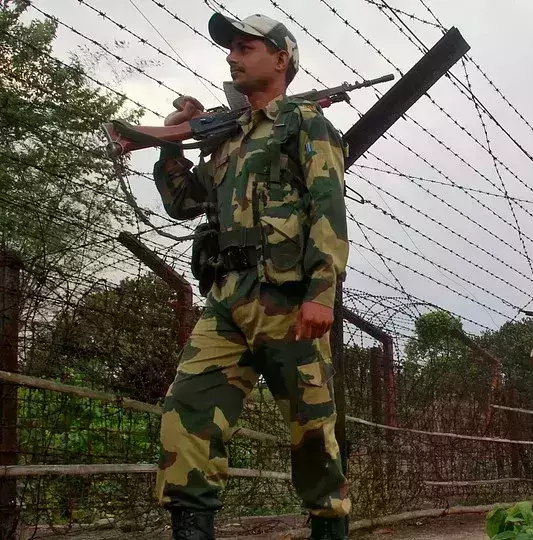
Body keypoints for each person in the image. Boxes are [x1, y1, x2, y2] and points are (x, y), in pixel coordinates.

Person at [152, 12, 350, 540]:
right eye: (231, 48)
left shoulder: (306, 123)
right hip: (225, 299)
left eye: (246, 47)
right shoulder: (225, 138)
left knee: (311, 431)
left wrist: (322, 293)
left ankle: (329, 525)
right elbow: (182, 202)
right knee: (185, 417)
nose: (232, 55)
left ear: (281, 59)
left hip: (287, 299)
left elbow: (327, 209)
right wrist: (173, 140)